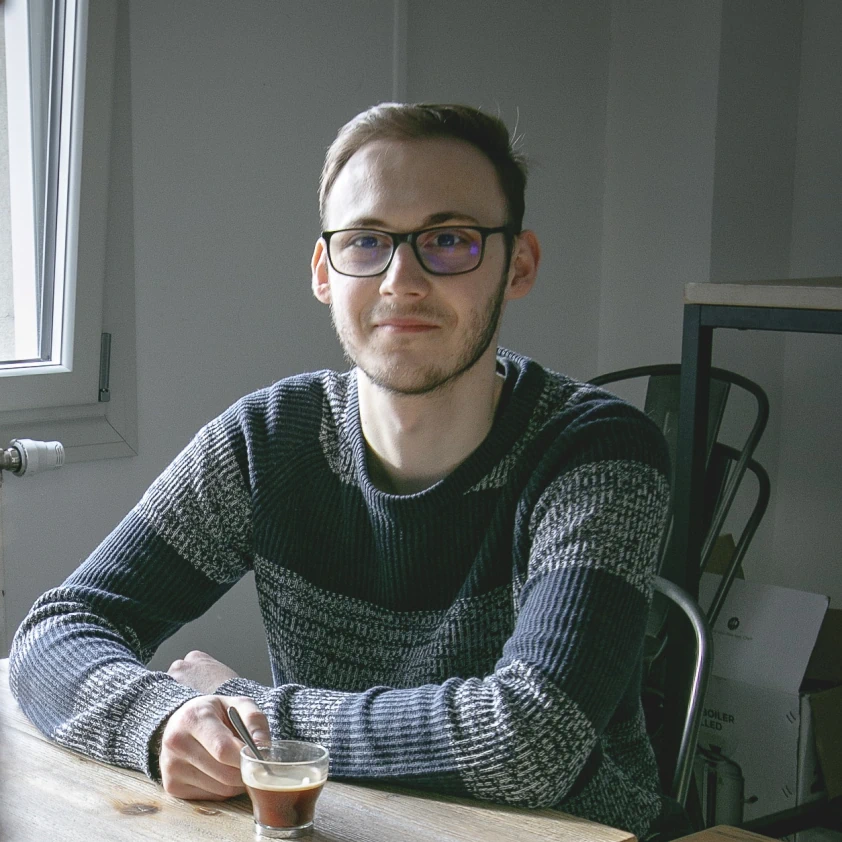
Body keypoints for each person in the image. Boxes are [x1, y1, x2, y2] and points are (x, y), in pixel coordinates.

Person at [10, 103, 678, 838]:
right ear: (326, 272)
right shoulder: (268, 440)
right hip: (352, 825)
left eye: (449, 240)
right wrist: (162, 718)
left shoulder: (599, 451)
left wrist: (245, 704)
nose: (403, 280)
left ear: (518, 264)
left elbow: (532, 740)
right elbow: (59, 629)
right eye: (368, 241)